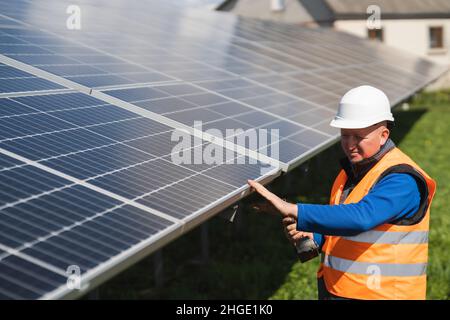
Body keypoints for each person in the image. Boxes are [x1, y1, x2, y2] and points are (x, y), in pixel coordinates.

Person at [248, 85, 436, 300]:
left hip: (382, 295)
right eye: (345, 135)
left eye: (358, 137)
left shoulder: (402, 179)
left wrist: (295, 210)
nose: (350, 145)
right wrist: (315, 234)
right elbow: (343, 218)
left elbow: (361, 217)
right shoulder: (350, 173)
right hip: (339, 290)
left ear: (384, 135)